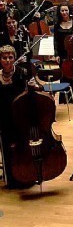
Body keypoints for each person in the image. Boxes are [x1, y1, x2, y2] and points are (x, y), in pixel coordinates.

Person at [0, 45, 30, 188]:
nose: (7, 60)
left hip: (21, 118)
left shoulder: (22, 73)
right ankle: (11, 178)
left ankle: (26, 176)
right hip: (4, 119)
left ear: (14, 58)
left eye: (10, 57)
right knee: (7, 148)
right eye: (4, 57)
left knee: (23, 146)